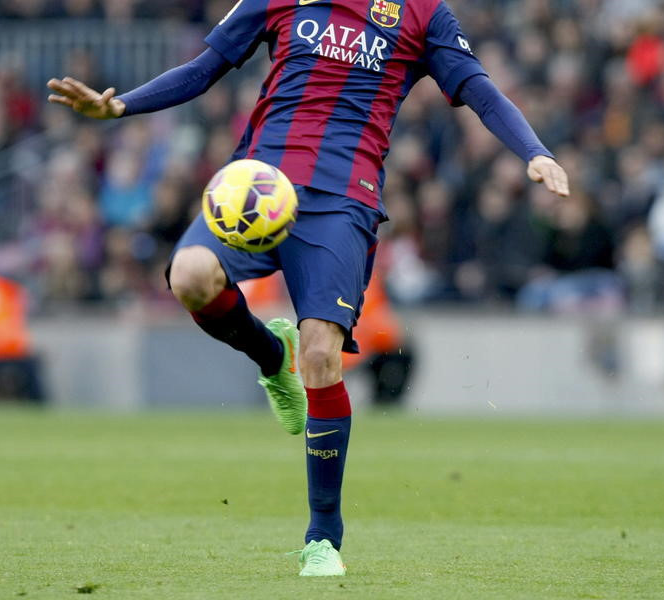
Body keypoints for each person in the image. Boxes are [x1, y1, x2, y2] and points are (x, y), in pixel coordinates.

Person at [48, 0, 569, 576]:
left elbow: (480, 91)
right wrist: (121, 104)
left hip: (342, 202)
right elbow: (203, 68)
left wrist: (535, 151)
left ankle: (323, 536)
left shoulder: (424, 13)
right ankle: (271, 355)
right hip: (256, 185)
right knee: (190, 276)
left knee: (321, 356)